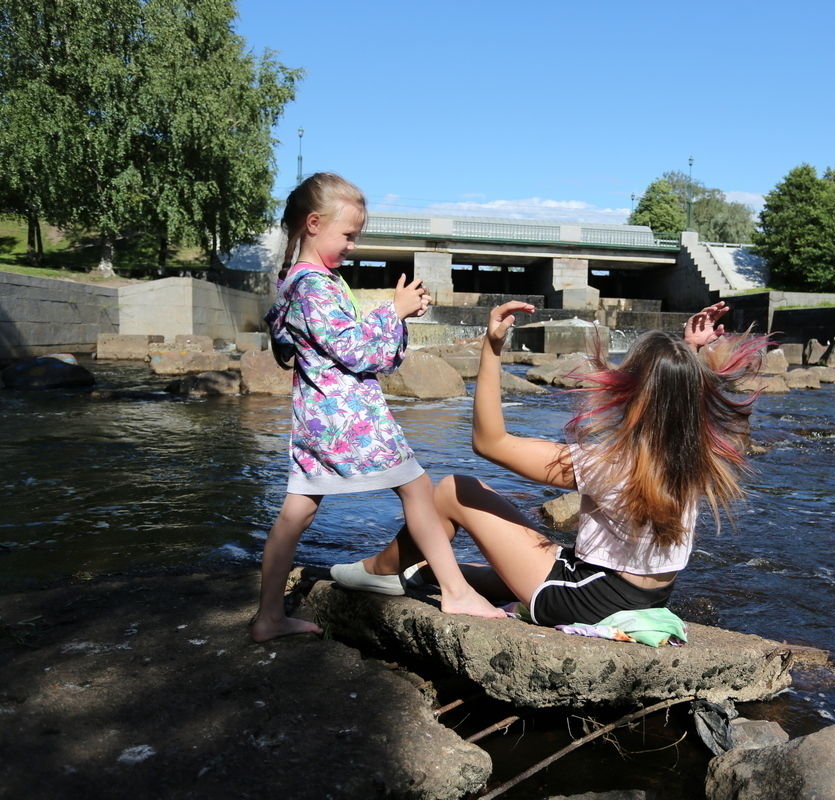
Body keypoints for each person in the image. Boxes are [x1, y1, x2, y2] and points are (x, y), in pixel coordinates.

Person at [340, 299, 768, 626]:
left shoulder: (612, 463)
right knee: (459, 564)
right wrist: (689, 352)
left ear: (632, 389)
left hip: (587, 598)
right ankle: (417, 574)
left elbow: (489, 442)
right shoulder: (704, 453)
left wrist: (491, 349)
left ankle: (380, 572)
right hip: (638, 594)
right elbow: (679, 396)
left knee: (456, 488)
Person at [251, 173, 504, 643]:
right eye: (347, 235)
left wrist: (395, 319)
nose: (352, 245)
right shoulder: (315, 286)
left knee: (297, 512)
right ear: (312, 224)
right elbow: (358, 353)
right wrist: (394, 311)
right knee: (418, 488)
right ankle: (456, 591)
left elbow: (315, 348)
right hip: (351, 419)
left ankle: (268, 616)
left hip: (315, 418)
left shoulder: (297, 281)